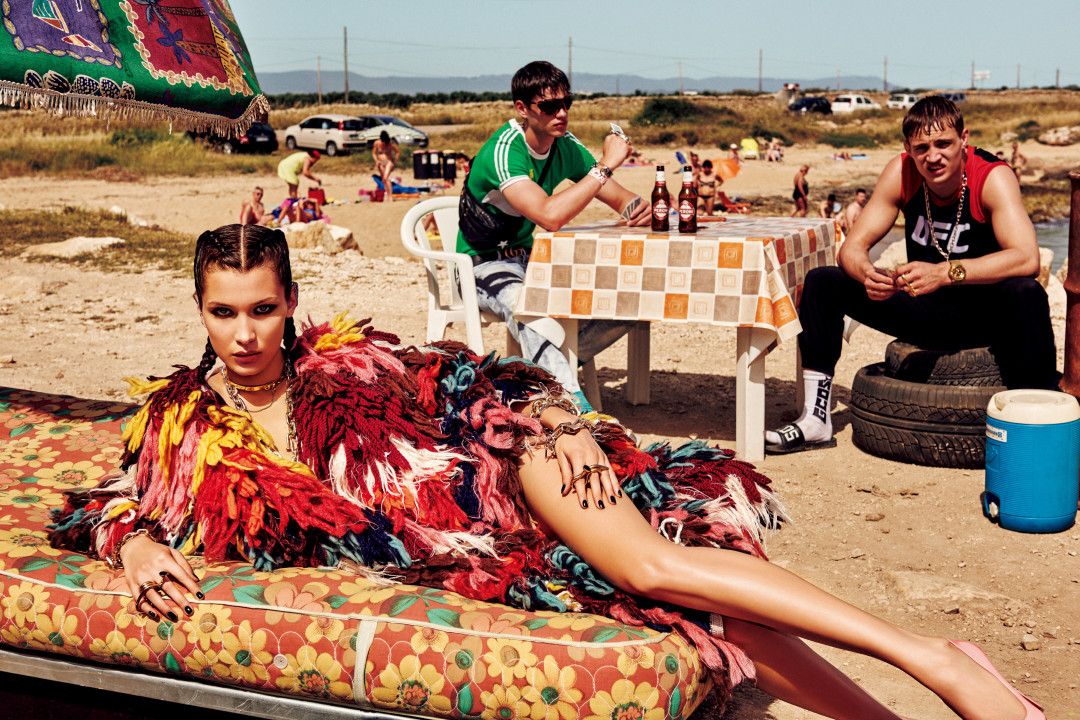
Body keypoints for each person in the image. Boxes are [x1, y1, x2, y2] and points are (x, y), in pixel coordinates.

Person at [48, 223, 1045, 720]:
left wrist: (560, 424)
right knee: (697, 615)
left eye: (262, 310)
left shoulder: (348, 360)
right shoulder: (183, 424)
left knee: (653, 567)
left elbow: (478, 374)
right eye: (224, 313)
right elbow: (114, 502)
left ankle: (932, 658)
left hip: (510, 467)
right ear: (201, 311)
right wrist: (132, 547)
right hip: (475, 554)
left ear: (290, 303)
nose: (244, 334)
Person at [765, 96, 1057, 455]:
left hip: (987, 316)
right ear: (908, 149)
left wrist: (945, 273)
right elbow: (852, 248)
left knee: (1026, 291)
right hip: (925, 311)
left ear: (964, 139)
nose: (933, 157)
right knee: (823, 282)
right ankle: (815, 419)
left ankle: (1041, 420)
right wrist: (868, 273)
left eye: (943, 144)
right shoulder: (901, 172)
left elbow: (1027, 257)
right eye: (922, 148)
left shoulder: (992, 176)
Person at [456, 61, 650, 410]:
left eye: (566, 103)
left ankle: (534, 370)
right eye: (548, 106)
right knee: (526, 302)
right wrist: (605, 166)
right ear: (523, 109)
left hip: (532, 259)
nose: (561, 113)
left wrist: (640, 208)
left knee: (628, 293)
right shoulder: (506, 150)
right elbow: (550, 216)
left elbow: (622, 201)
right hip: (481, 265)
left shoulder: (565, 145)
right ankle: (573, 404)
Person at [372, 131, 400, 202]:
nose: (384, 143)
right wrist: (376, 161)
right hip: (380, 163)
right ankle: (387, 194)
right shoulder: (377, 143)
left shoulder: (390, 145)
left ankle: (390, 196)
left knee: (386, 177)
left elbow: (397, 152)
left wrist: (394, 162)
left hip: (388, 162)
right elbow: (374, 153)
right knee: (384, 180)